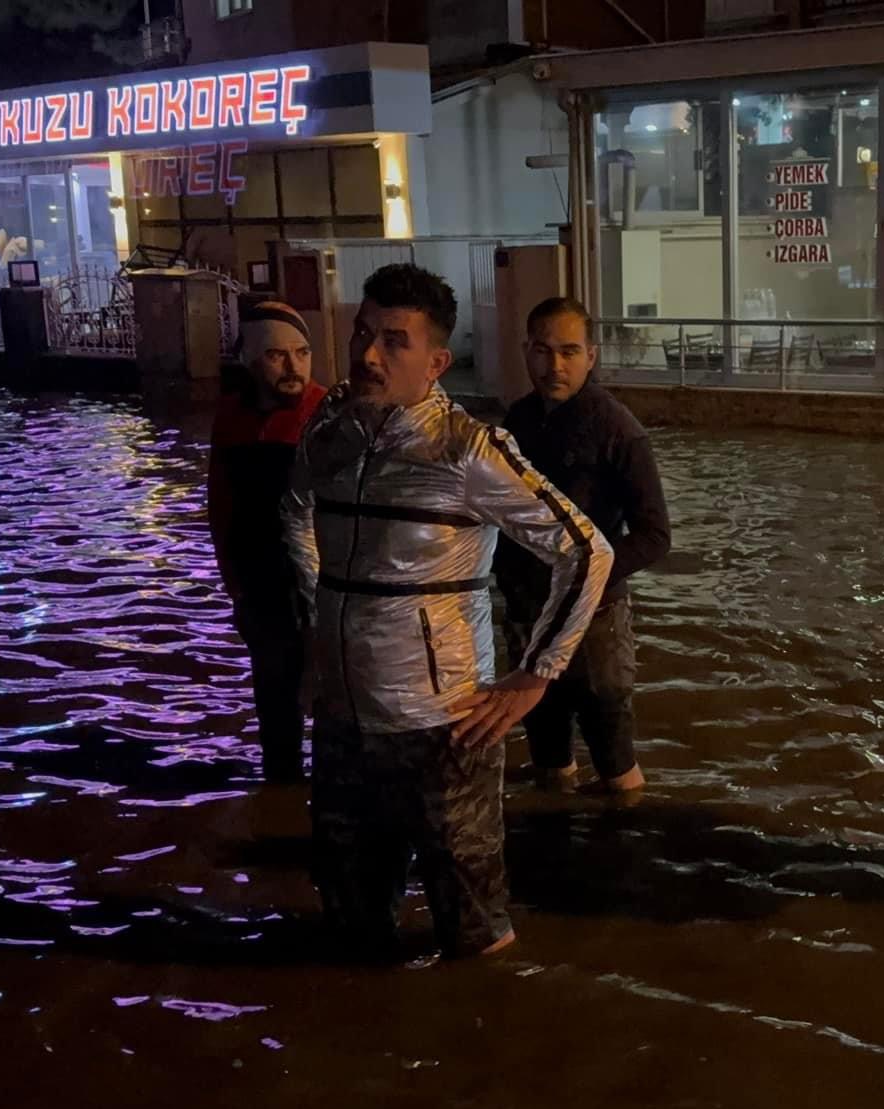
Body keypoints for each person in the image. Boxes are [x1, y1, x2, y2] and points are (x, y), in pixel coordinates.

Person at [282, 264, 612, 959]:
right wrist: (320, 623)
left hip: (445, 724)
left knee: (472, 920)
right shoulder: (330, 433)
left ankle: (490, 1044)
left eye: (394, 341)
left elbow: (586, 551)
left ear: (436, 361)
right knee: (347, 908)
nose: (369, 355)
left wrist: (535, 674)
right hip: (343, 718)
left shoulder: (468, 451)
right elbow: (294, 515)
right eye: (363, 334)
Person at [496, 297, 670, 794]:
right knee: (548, 756)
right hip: (529, 615)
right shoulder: (519, 420)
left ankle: (627, 859)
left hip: (594, 622)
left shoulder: (618, 429)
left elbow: (656, 535)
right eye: (543, 351)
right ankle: (557, 856)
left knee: (615, 762)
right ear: (525, 351)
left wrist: (588, 576)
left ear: (591, 356)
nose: (555, 366)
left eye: (569, 351)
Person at [210, 300, 327, 787]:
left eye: (301, 353)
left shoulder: (326, 411)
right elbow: (221, 507)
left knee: (332, 710)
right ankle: (281, 803)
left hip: (323, 592)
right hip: (262, 590)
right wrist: (235, 588)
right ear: (252, 360)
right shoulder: (232, 418)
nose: (293, 366)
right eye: (277, 356)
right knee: (275, 712)